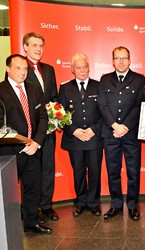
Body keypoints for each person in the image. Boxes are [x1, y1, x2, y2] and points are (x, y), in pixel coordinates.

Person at [0, 54, 51, 234]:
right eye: (18, 68)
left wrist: (36, 142)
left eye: (25, 68)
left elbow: (43, 118)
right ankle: (8, 230)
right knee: (7, 193)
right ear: (8, 69)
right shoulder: (0, 90)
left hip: (33, 149)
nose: (22, 72)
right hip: (9, 152)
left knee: (33, 188)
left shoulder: (34, 89)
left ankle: (31, 223)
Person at [98, 46, 145, 220]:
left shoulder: (139, 79)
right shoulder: (104, 80)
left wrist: (124, 126)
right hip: (110, 134)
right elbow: (102, 105)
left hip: (131, 133)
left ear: (129, 60)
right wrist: (114, 125)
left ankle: (133, 205)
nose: (121, 61)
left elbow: (139, 105)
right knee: (113, 171)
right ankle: (116, 204)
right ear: (112, 61)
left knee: (133, 171)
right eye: (117, 58)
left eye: (124, 58)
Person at [58, 53, 103, 217]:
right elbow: (61, 113)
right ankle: (80, 202)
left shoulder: (99, 86)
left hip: (94, 137)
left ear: (89, 67)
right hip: (74, 138)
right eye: (78, 67)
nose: (82, 70)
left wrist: (93, 129)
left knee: (94, 172)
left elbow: (104, 112)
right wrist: (74, 130)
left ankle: (93, 202)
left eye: (85, 66)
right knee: (78, 171)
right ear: (72, 69)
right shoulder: (65, 87)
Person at [23, 32, 59, 223]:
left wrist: (54, 116)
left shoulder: (49, 69)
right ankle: (31, 209)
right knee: (31, 173)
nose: (38, 49)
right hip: (29, 133)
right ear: (25, 47)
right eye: (34, 45)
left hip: (48, 130)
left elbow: (53, 97)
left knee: (47, 169)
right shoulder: (19, 68)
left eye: (41, 46)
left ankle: (46, 206)